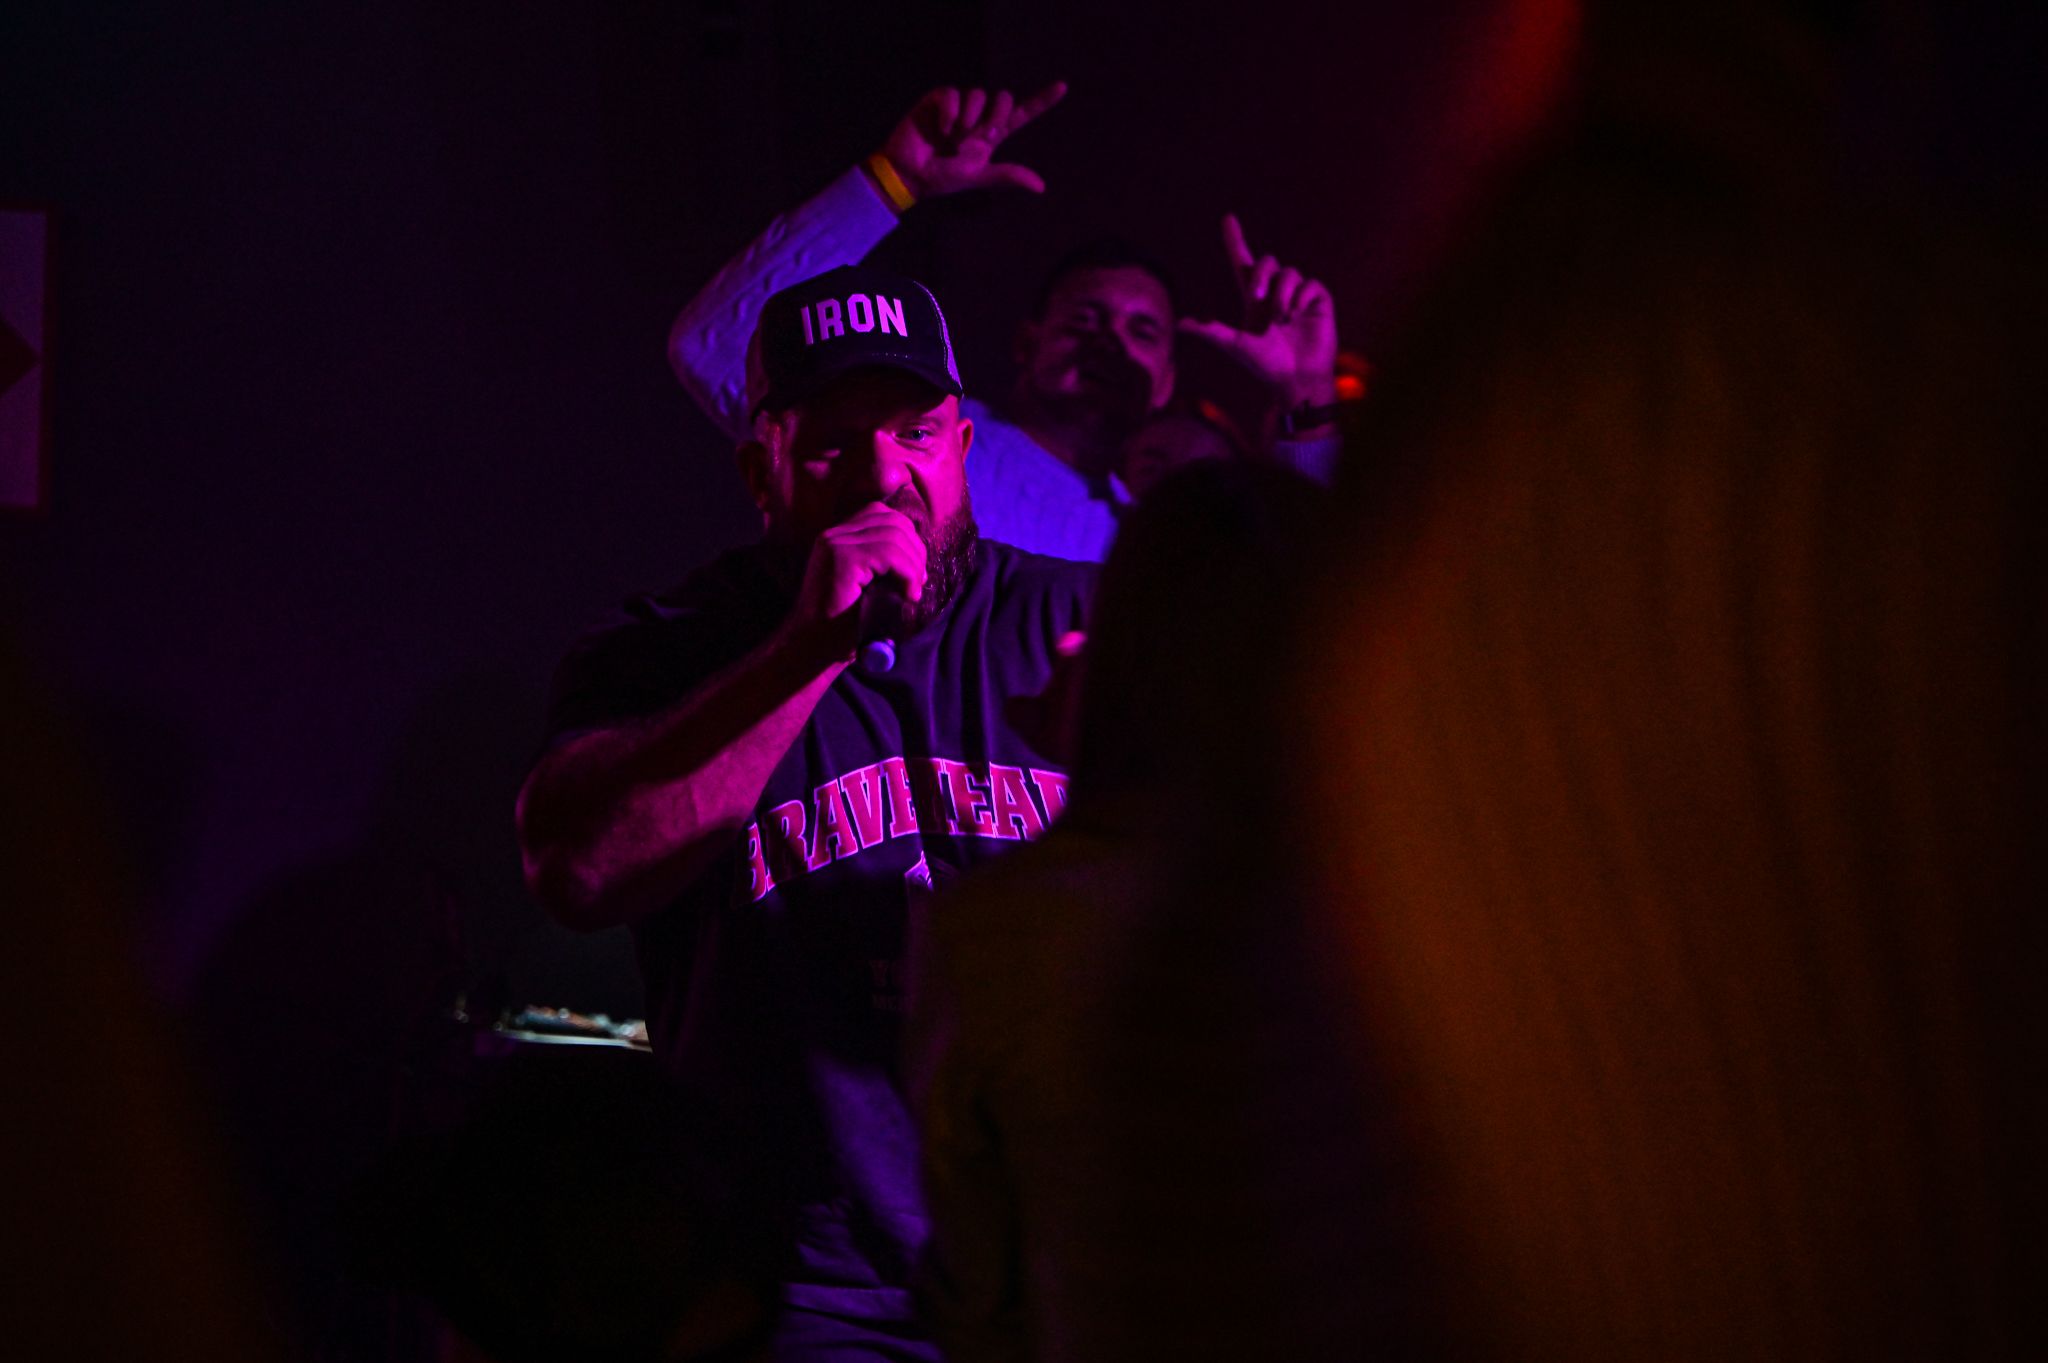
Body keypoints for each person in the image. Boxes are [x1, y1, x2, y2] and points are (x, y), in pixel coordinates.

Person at [518, 263, 1095, 1360]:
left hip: (1067, 1269)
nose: (885, 477)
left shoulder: (1076, 621)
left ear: (963, 446)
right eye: (832, 444)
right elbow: (576, 868)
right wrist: (807, 648)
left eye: (915, 434)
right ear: (761, 470)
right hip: (808, 1294)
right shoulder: (674, 648)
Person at [670, 83, 1346, 561]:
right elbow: (716, 346)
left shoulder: (1159, 539)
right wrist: (893, 182)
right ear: (1028, 342)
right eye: (1085, 319)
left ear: (1167, 381)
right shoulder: (923, 441)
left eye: (1141, 332)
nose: (1110, 343)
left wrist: (1307, 393)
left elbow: (1309, 595)